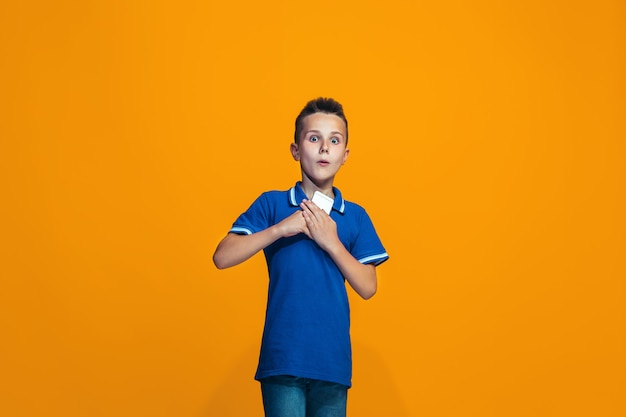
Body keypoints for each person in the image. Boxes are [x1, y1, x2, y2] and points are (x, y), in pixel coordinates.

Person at [213, 97, 389, 417]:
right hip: (283, 358)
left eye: (334, 140)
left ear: (345, 155)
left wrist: (332, 242)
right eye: (313, 138)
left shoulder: (355, 216)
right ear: (296, 150)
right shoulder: (273, 204)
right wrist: (280, 230)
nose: (324, 148)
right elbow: (222, 256)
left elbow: (368, 286)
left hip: (332, 362)